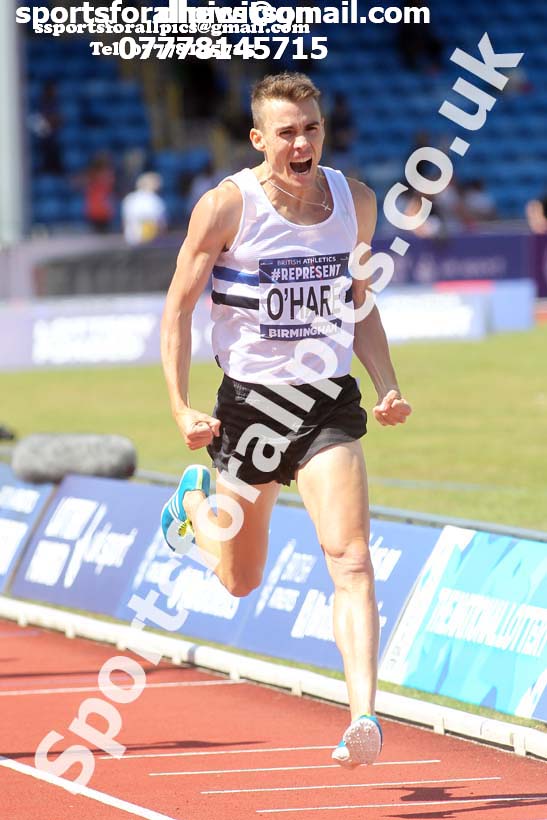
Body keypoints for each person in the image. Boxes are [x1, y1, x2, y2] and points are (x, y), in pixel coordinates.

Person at [160, 72, 411, 769]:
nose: (301, 143)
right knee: (240, 581)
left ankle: (363, 717)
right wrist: (181, 405)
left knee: (350, 556)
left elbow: (359, 304)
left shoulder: (354, 203)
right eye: (286, 132)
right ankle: (194, 506)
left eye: (311, 129)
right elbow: (178, 309)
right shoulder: (225, 207)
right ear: (258, 138)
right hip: (250, 411)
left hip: (326, 402)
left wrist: (387, 383)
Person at [121, 172, 167, 245]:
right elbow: (162, 224)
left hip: (131, 241)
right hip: (152, 243)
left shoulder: (129, 198)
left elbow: (124, 222)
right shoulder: (155, 200)